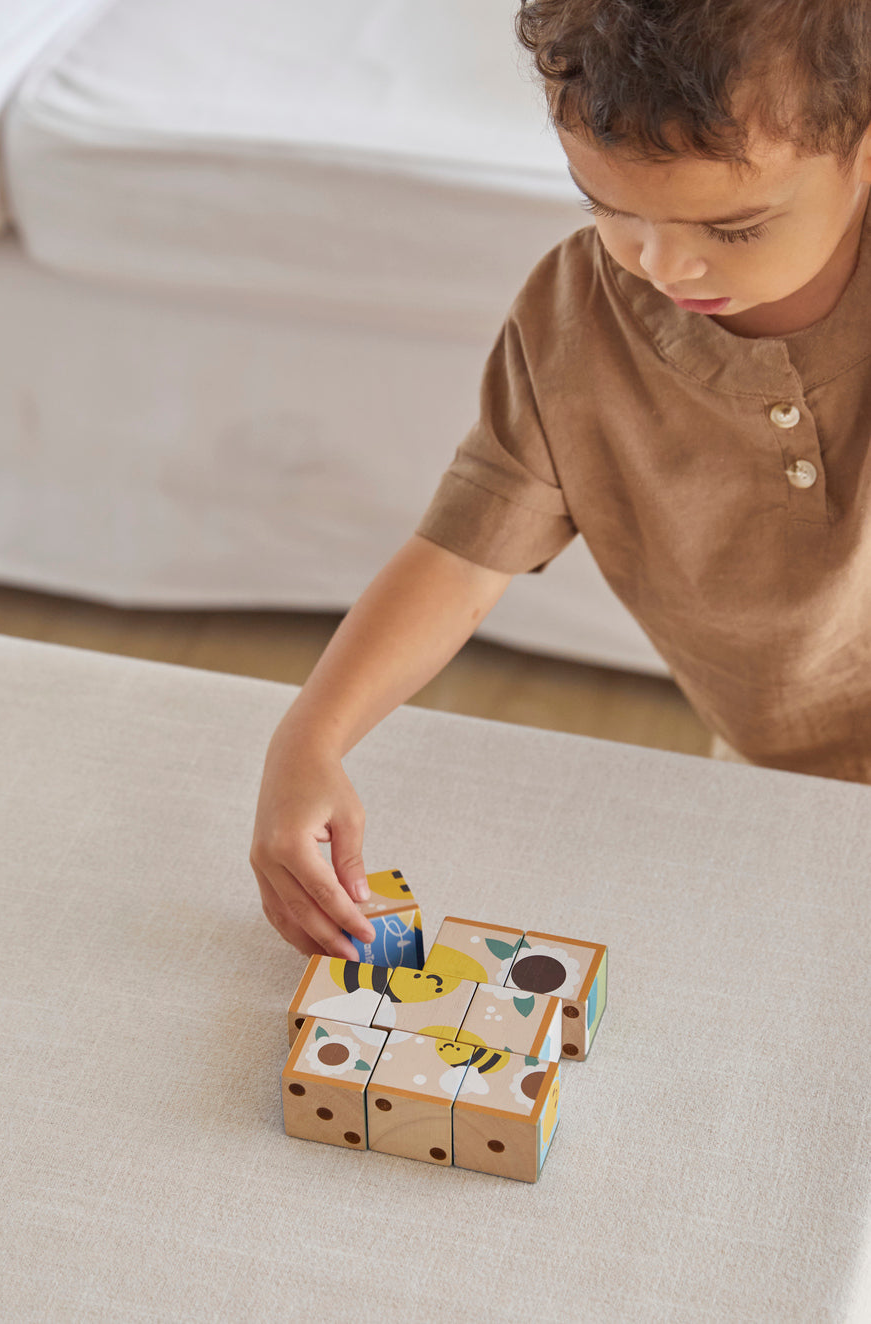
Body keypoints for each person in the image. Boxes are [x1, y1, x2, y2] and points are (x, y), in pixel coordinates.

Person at [251, 0, 871, 958]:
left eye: (734, 227)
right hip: (768, 767)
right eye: (609, 209)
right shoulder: (574, 320)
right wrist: (310, 740)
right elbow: (461, 556)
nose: (661, 262)